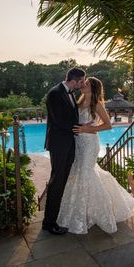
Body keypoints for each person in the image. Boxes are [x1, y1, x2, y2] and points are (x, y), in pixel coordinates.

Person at [57, 77, 134, 234]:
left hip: (90, 143)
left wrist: (89, 129)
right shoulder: (78, 102)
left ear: (92, 88)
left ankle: (102, 214)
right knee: (79, 173)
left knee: (86, 173)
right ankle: (81, 212)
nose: (82, 85)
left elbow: (108, 124)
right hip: (78, 144)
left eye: (85, 84)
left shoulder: (97, 104)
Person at [43, 67, 87, 235]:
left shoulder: (70, 93)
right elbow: (59, 121)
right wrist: (82, 128)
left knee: (62, 182)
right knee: (56, 182)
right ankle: (49, 223)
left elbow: (70, 118)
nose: (82, 84)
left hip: (68, 144)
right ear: (74, 80)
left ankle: (54, 217)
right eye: (81, 81)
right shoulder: (55, 93)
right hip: (59, 144)